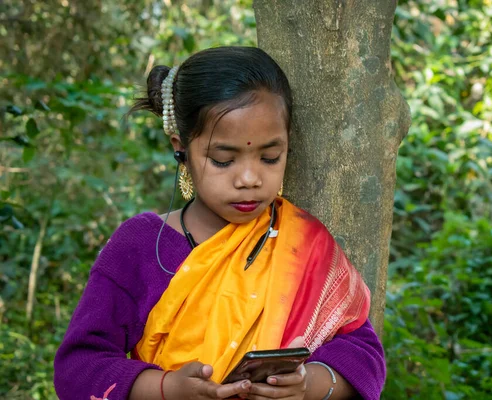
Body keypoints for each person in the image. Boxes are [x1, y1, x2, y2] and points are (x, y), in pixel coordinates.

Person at [54, 46, 385, 400]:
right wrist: (164, 388)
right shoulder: (140, 246)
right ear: (181, 148)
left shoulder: (304, 244)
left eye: (270, 158)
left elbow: (364, 353)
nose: (248, 178)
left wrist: (308, 384)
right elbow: (78, 367)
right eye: (223, 160)